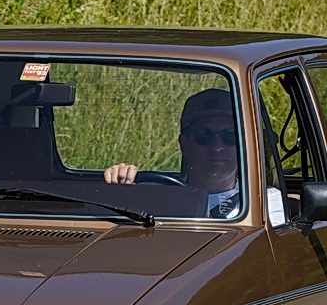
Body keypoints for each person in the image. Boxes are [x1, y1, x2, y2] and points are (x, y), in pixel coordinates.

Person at [101, 88, 242, 218]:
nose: (217, 146)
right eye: (204, 136)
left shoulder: (261, 206)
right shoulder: (152, 196)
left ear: (243, 144)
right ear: (184, 144)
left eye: (230, 136)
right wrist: (119, 184)